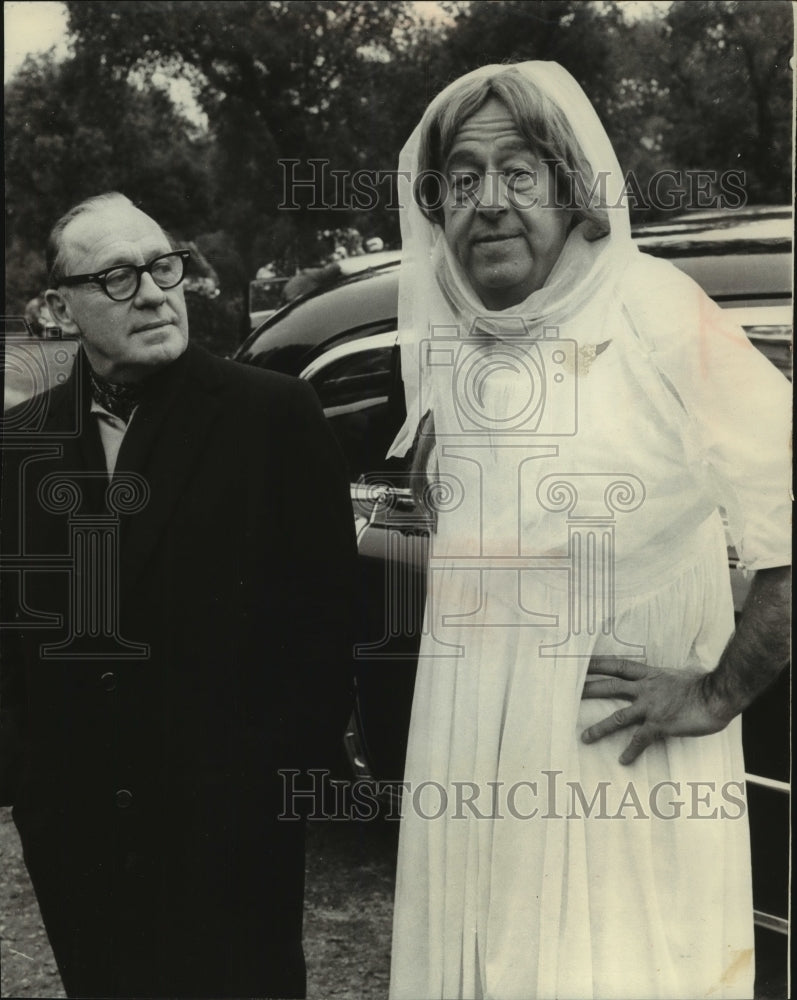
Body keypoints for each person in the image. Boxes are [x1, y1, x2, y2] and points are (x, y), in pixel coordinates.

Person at [386, 63, 790, 999]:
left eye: (519, 173)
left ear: (573, 191)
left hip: (618, 773)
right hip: (470, 760)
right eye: (460, 179)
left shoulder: (654, 311)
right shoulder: (458, 344)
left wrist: (720, 693)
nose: (487, 203)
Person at [0, 192, 358, 999]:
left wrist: (268, 786)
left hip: (228, 834)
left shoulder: (273, 416)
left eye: (163, 266)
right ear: (61, 306)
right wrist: (29, 781)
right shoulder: (20, 449)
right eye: (119, 278)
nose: (157, 291)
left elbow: (327, 623)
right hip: (78, 840)